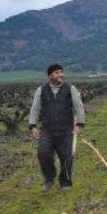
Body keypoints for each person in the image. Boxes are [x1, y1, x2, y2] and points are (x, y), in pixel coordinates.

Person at [29, 63, 85, 191]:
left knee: (66, 156)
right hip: (47, 130)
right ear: (50, 76)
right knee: (43, 153)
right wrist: (33, 126)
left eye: (61, 72)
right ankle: (49, 178)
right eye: (57, 72)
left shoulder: (71, 89)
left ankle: (65, 182)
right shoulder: (41, 90)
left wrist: (79, 124)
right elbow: (35, 108)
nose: (61, 75)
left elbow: (79, 107)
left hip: (65, 129)